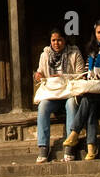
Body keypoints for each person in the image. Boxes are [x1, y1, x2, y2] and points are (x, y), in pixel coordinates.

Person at [64, 19, 100, 161]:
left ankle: (74, 132)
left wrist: (88, 83)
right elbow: (86, 70)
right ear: (95, 34)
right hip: (92, 91)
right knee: (90, 105)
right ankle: (91, 146)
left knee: (88, 99)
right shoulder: (92, 51)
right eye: (99, 32)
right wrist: (85, 81)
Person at [33, 27, 85, 163]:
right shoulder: (45, 54)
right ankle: (43, 147)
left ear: (65, 40)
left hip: (69, 92)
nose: (56, 43)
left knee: (72, 105)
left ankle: (69, 145)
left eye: (59, 40)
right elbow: (40, 72)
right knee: (43, 107)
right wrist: (37, 76)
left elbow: (81, 75)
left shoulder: (74, 52)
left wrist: (63, 76)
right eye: (54, 40)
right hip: (52, 94)